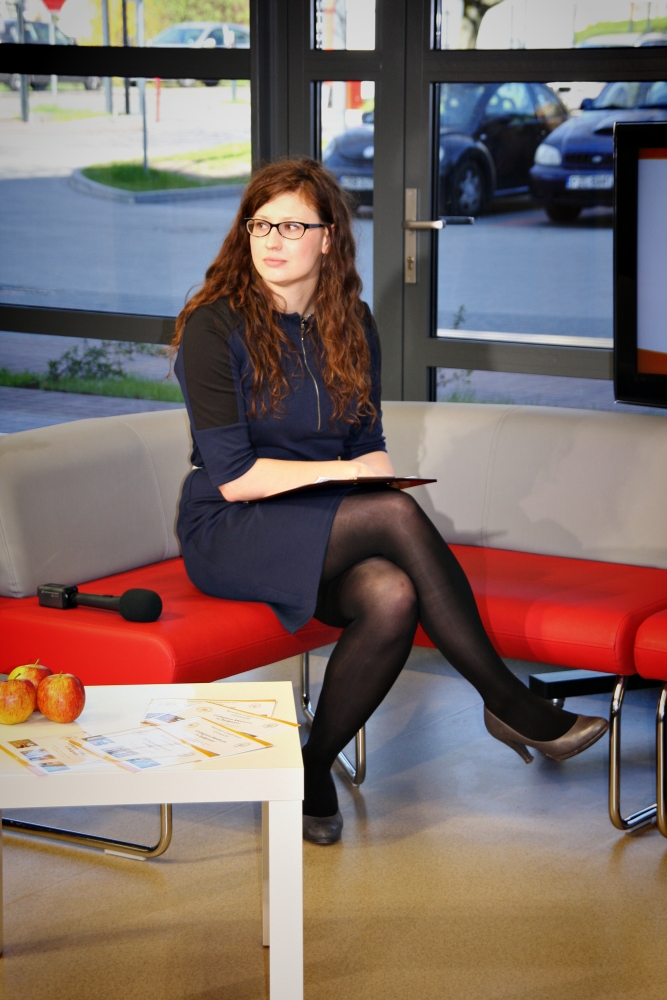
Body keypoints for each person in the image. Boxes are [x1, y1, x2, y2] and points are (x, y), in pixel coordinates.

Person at [172, 157, 608, 846]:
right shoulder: (214, 326)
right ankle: (506, 699)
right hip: (231, 527)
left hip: (321, 522)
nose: (273, 240)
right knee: (393, 513)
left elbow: (368, 445)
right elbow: (234, 477)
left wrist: (364, 474)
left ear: (328, 237)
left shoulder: (351, 322)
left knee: (393, 593)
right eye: (260, 224)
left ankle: (312, 766)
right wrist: (347, 478)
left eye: (292, 225)